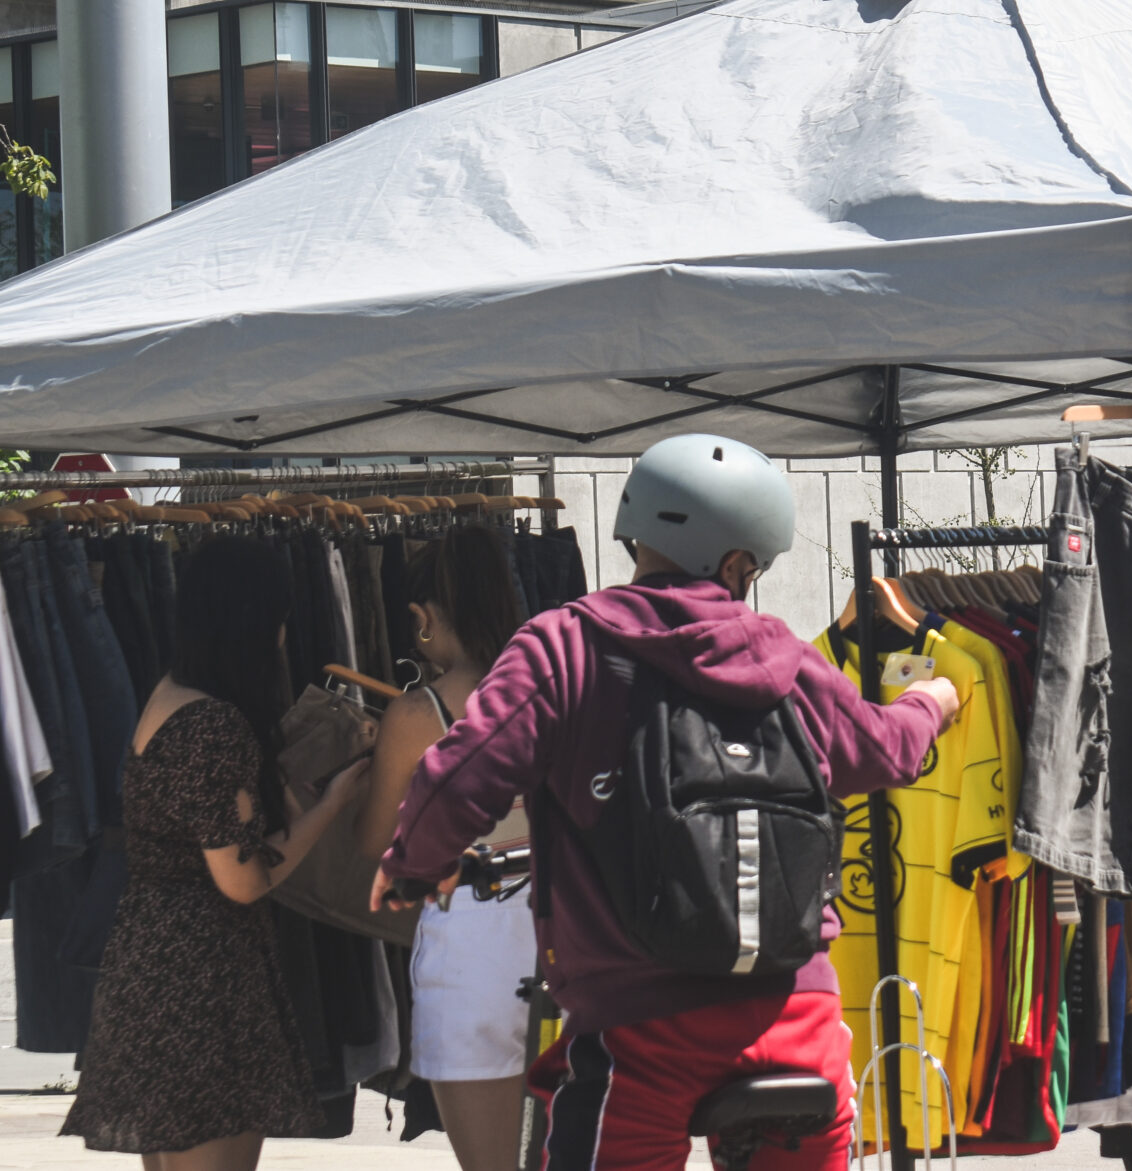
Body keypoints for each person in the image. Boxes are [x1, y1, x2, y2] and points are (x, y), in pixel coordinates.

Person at [371, 433, 961, 1171]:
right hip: (797, 1016)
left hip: (637, 1024)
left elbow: (458, 777)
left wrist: (413, 865)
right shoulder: (784, 657)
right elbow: (883, 749)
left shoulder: (563, 646)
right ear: (739, 563)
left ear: (634, 533)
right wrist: (932, 700)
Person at [62, 538, 373, 1169]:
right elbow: (243, 880)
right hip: (202, 984)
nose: (285, 633)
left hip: (151, 967)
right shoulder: (213, 724)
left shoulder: (171, 694)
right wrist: (332, 804)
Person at [355, 522, 534, 1171]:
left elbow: (377, 845)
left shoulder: (417, 716)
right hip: (566, 940)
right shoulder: (558, 688)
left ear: (423, 616)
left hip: (471, 952)